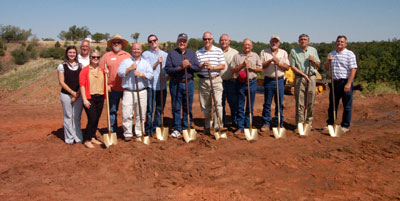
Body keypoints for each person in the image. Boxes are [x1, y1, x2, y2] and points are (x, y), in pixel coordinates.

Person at [165, 33, 200, 138]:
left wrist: (190, 65)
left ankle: (187, 126)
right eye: (180, 41)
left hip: (188, 82)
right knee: (176, 107)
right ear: (177, 42)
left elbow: (197, 68)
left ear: (187, 43)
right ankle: (177, 128)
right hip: (175, 83)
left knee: (187, 106)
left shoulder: (192, 54)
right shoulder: (172, 54)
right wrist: (180, 67)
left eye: (184, 41)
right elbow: (168, 69)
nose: (182, 43)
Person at [117, 43, 153, 141]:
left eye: (138, 49)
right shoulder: (125, 62)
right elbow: (120, 73)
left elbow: (150, 74)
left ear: (141, 50)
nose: (136, 51)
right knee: (127, 114)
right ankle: (128, 133)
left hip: (141, 91)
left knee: (140, 114)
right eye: (134, 49)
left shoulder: (145, 63)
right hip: (129, 91)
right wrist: (129, 69)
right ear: (131, 50)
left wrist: (141, 74)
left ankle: (139, 132)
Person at [99, 34, 131, 137]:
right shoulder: (106, 56)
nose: (116, 44)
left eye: (118, 42)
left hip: (126, 87)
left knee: (127, 110)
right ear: (111, 44)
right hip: (112, 88)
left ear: (122, 44)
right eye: (114, 42)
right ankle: (112, 131)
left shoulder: (127, 55)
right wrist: (106, 85)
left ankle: (127, 131)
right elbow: (101, 72)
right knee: (112, 110)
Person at [324, 35, 357, 133]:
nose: (340, 43)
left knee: (347, 106)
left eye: (342, 42)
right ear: (335, 43)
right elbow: (326, 68)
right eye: (338, 41)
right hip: (334, 83)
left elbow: (353, 69)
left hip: (345, 82)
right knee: (333, 105)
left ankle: (345, 125)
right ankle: (330, 124)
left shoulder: (350, 54)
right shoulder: (331, 54)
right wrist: (328, 61)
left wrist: (348, 83)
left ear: (345, 44)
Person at [196, 32, 225, 134]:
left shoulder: (218, 51)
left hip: (216, 80)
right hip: (203, 81)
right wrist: (203, 65)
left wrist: (212, 67)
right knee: (205, 106)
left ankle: (218, 126)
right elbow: (196, 68)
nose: (207, 41)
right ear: (203, 40)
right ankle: (208, 125)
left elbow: (222, 66)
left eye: (209, 39)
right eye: (205, 39)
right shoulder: (198, 52)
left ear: (212, 39)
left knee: (218, 104)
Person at [289, 34, 320, 130]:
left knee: (310, 100)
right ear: (299, 41)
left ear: (308, 41)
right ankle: (299, 124)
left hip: (311, 77)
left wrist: (313, 60)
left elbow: (318, 64)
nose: (303, 41)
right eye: (301, 39)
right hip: (300, 78)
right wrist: (303, 75)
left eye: (305, 39)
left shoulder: (313, 50)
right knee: (300, 102)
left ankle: (308, 124)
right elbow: (293, 66)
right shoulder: (294, 51)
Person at [231, 39, 262, 134]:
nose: (247, 46)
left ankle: (248, 125)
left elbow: (260, 69)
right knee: (240, 105)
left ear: (251, 46)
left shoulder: (255, 55)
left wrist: (251, 68)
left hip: (252, 82)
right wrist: (242, 65)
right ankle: (240, 126)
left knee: (250, 105)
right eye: (245, 45)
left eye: (249, 45)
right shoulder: (237, 56)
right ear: (242, 46)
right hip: (240, 83)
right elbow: (233, 70)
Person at [260, 35, 290, 131]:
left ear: (279, 43)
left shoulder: (283, 52)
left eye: (276, 41)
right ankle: (266, 123)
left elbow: (287, 67)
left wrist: (279, 63)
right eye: (273, 41)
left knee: (279, 103)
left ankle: (279, 122)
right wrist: (270, 60)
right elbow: (261, 66)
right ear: (270, 42)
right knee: (267, 103)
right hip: (268, 80)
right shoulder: (264, 52)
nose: (274, 43)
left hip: (280, 80)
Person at [79, 50, 107, 148]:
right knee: (92, 118)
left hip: (100, 97)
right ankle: (87, 139)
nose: (96, 59)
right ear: (90, 58)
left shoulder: (103, 70)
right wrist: (84, 99)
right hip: (89, 98)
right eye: (93, 57)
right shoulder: (85, 70)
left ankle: (92, 137)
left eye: (98, 57)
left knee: (96, 119)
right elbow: (82, 85)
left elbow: (105, 83)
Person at [142, 34, 168, 136]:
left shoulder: (165, 54)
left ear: (157, 41)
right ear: (148, 44)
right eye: (150, 41)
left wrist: (168, 77)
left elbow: (169, 69)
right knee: (150, 109)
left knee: (159, 109)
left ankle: (157, 128)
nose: (153, 43)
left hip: (162, 86)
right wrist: (157, 62)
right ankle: (148, 129)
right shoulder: (145, 54)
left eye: (154, 40)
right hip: (151, 86)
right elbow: (147, 70)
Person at [57, 46, 83, 145]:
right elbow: (61, 82)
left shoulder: (80, 66)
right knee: (68, 116)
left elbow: (82, 82)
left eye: (73, 52)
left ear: (76, 54)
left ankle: (78, 137)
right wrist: (73, 93)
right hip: (66, 95)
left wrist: (77, 95)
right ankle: (69, 138)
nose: (72, 54)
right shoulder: (62, 66)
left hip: (78, 95)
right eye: (70, 52)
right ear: (67, 54)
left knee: (77, 117)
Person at [219, 34, 239, 128]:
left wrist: (236, 76)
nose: (224, 42)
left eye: (225, 40)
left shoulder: (235, 53)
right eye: (222, 40)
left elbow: (239, 67)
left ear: (229, 41)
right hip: (219, 82)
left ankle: (235, 121)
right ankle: (221, 121)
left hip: (232, 82)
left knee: (233, 103)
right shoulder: (216, 52)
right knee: (220, 103)